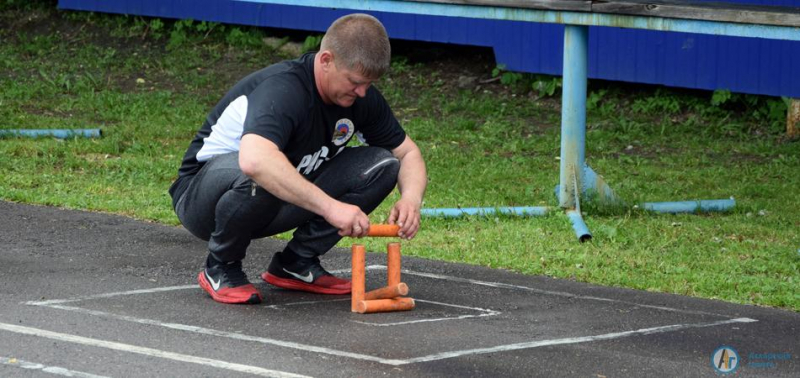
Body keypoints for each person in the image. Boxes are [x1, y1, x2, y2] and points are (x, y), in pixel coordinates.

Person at [168, 13, 427, 305]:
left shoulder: (361, 98)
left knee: (384, 165)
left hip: (271, 199)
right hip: (204, 201)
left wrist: (411, 200)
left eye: (369, 84)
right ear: (326, 59)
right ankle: (221, 266)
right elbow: (255, 161)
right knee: (262, 171)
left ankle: (296, 263)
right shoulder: (284, 89)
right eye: (355, 82)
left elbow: (408, 153)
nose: (363, 92)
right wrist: (332, 209)